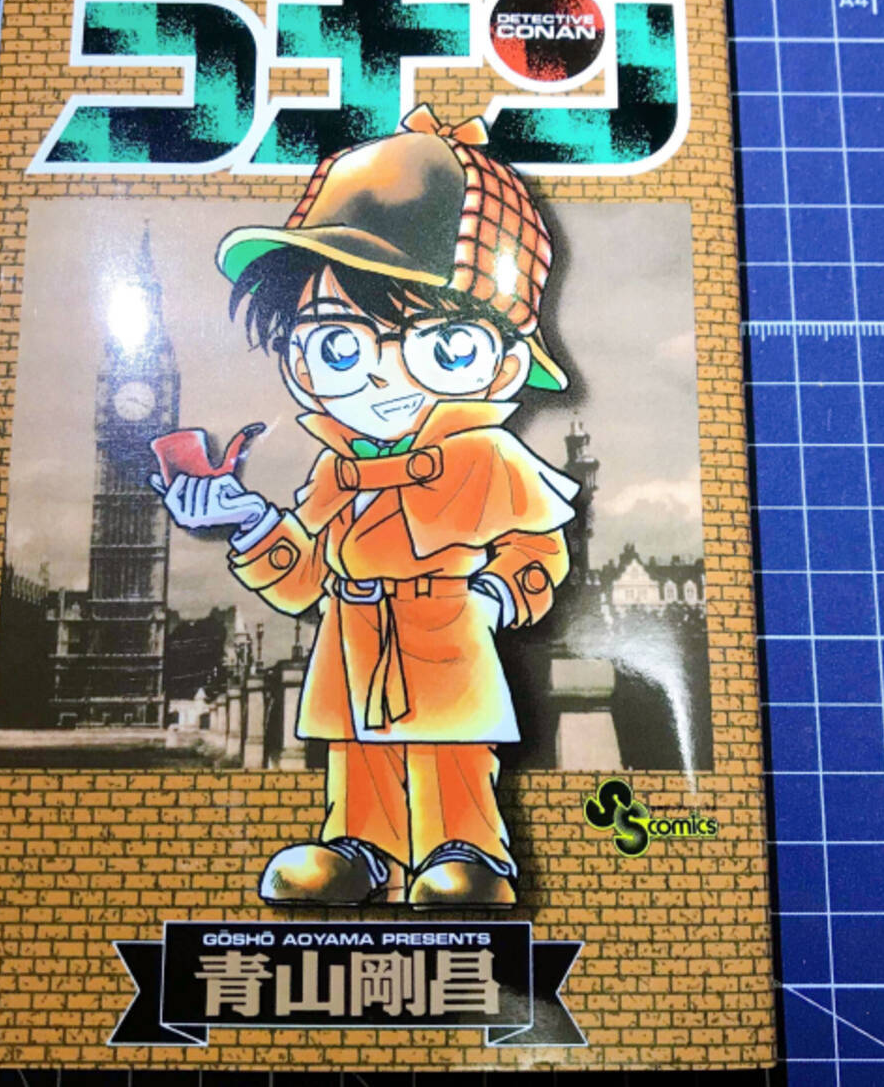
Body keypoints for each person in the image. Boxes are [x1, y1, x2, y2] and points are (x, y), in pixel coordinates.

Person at [152, 105, 578, 907]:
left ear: (502, 364)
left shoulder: (488, 457)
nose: (380, 376)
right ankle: (362, 850)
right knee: (360, 754)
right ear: (298, 357)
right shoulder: (335, 472)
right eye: (338, 344)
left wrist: (496, 596)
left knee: (453, 751)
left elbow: (537, 551)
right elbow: (306, 576)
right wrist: (248, 519)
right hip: (351, 636)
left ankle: (467, 851)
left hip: (446, 628)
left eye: (439, 346)